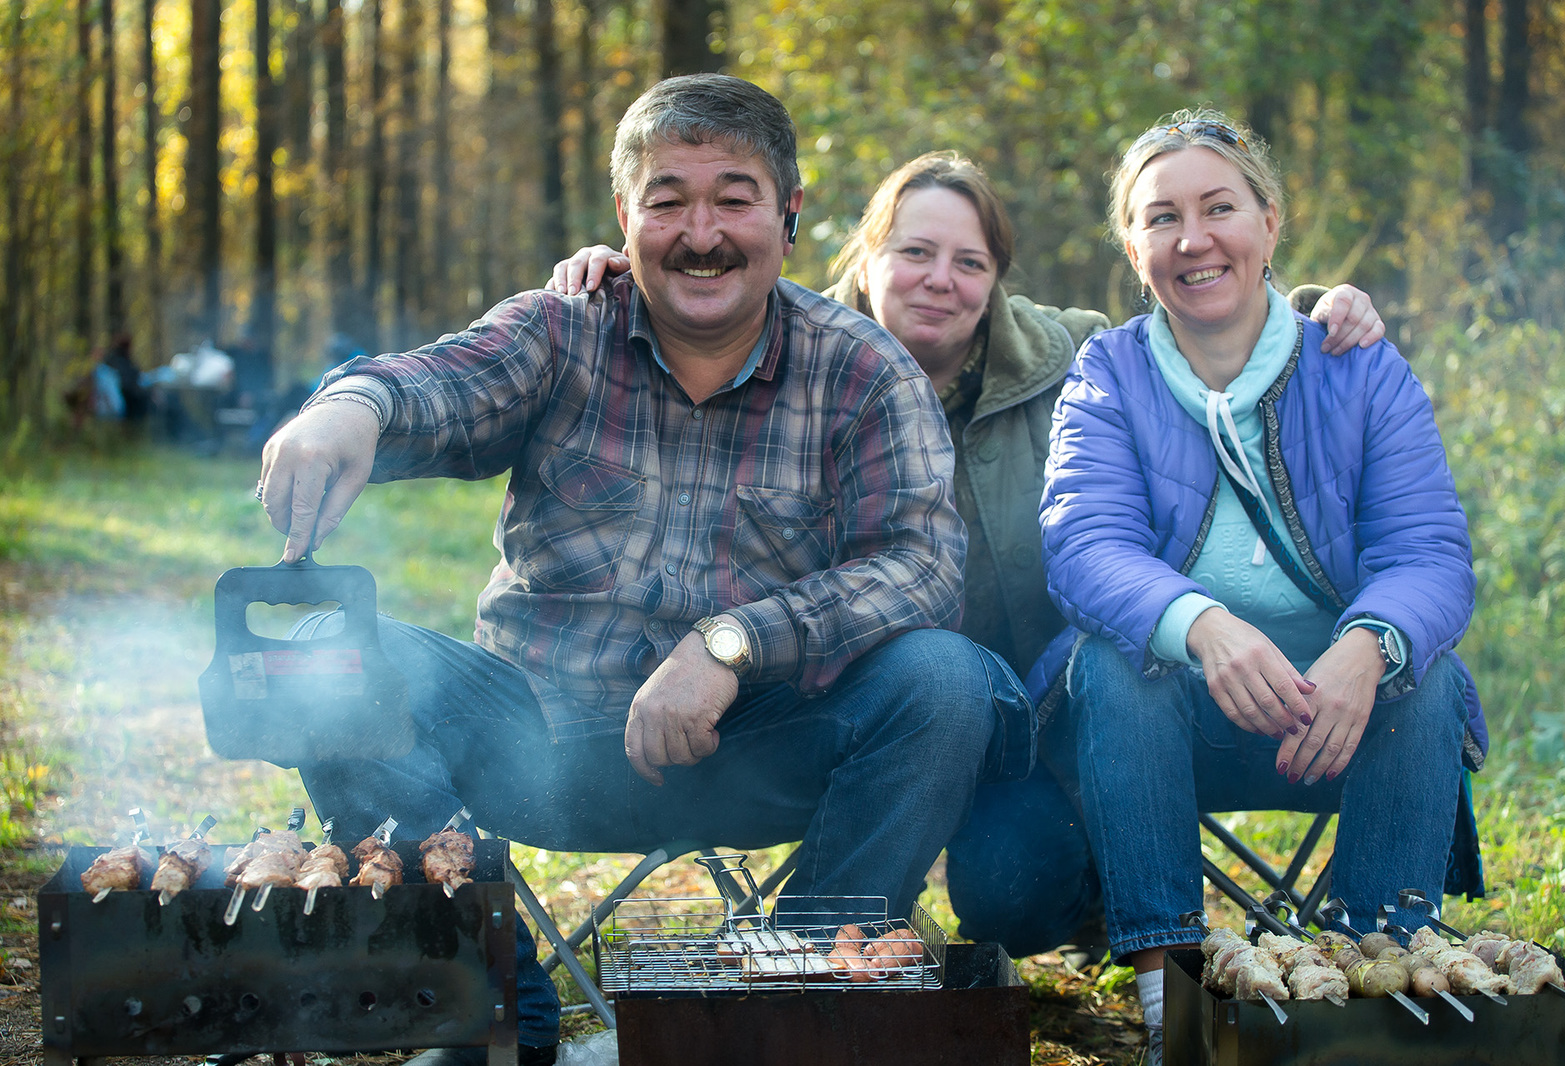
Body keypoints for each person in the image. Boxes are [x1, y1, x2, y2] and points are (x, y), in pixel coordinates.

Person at [257, 74, 1031, 1066]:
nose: (699, 232)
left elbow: (921, 566)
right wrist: (350, 407)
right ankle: (489, 1011)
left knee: (944, 678)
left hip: (757, 746)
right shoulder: (559, 329)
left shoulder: (862, 367)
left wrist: (732, 642)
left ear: (789, 215)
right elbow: (445, 382)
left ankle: (789, 1005)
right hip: (533, 740)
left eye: (734, 198)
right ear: (626, 216)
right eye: (668, 200)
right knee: (334, 654)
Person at [548, 150, 1387, 963]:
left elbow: (1201, 324)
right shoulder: (775, 347)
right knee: (929, 715)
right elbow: (690, 311)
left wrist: (1312, 308)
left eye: (970, 261)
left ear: (996, 280)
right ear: (865, 253)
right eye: (914, 252)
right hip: (834, 717)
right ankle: (825, 951)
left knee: (1013, 899)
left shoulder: (1071, 360)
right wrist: (623, 276)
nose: (940, 279)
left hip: (1026, 724)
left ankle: (1097, 877)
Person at [1030, 109, 1484, 1064]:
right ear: (1132, 244)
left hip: (1335, 709)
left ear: (1270, 222)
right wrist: (1202, 626)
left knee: (1429, 675)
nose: (1193, 239)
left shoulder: (1359, 366)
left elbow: (1431, 552)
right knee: (1112, 667)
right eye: (1161, 218)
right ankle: (1173, 1017)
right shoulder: (1106, 374)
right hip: (1171, 720)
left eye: (1219, 207)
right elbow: (1083, 545)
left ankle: (1377, 990)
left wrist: (1367, 648)